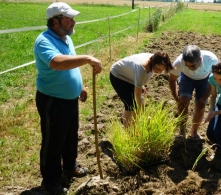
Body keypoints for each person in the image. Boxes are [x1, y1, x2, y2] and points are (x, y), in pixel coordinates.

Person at [34, 2, 102, 194]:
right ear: (55, 21)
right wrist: (88, 58)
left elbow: (70, 63)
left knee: (71, 134)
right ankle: (51, 180)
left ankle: (70, 166)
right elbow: (56, 62)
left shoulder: (66, 38)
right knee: (53, 140)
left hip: (70, 99)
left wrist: (80, 86)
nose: (73, 22)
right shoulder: (44, 41)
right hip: (53, 100)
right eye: (69, 18)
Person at [110, 52, 173, 128]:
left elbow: (138, 74)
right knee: (130, 104)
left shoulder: (156, 58)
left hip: (129, 76)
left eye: (161, 70)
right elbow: (138, 96)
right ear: (153, 62)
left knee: (135, 105)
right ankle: (128, 132)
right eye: (157, 69)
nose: (159, 72)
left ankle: (134, 127)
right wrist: (145, 116)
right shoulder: (142, 68)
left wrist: (140, 84)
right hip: (117, 75)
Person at [169, 45, 218, 139]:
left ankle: (194, 132)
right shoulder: (179, 62)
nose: (190, 68)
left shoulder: (211, 60)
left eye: (193, 65)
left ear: (200, 59)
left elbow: (214, 81)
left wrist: (204, 98)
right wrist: (176, 98)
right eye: (187, 65)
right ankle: (181, 132)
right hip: (186, 78)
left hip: (205, 79)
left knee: (200, 105)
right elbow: (172, 80)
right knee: (183, 103)